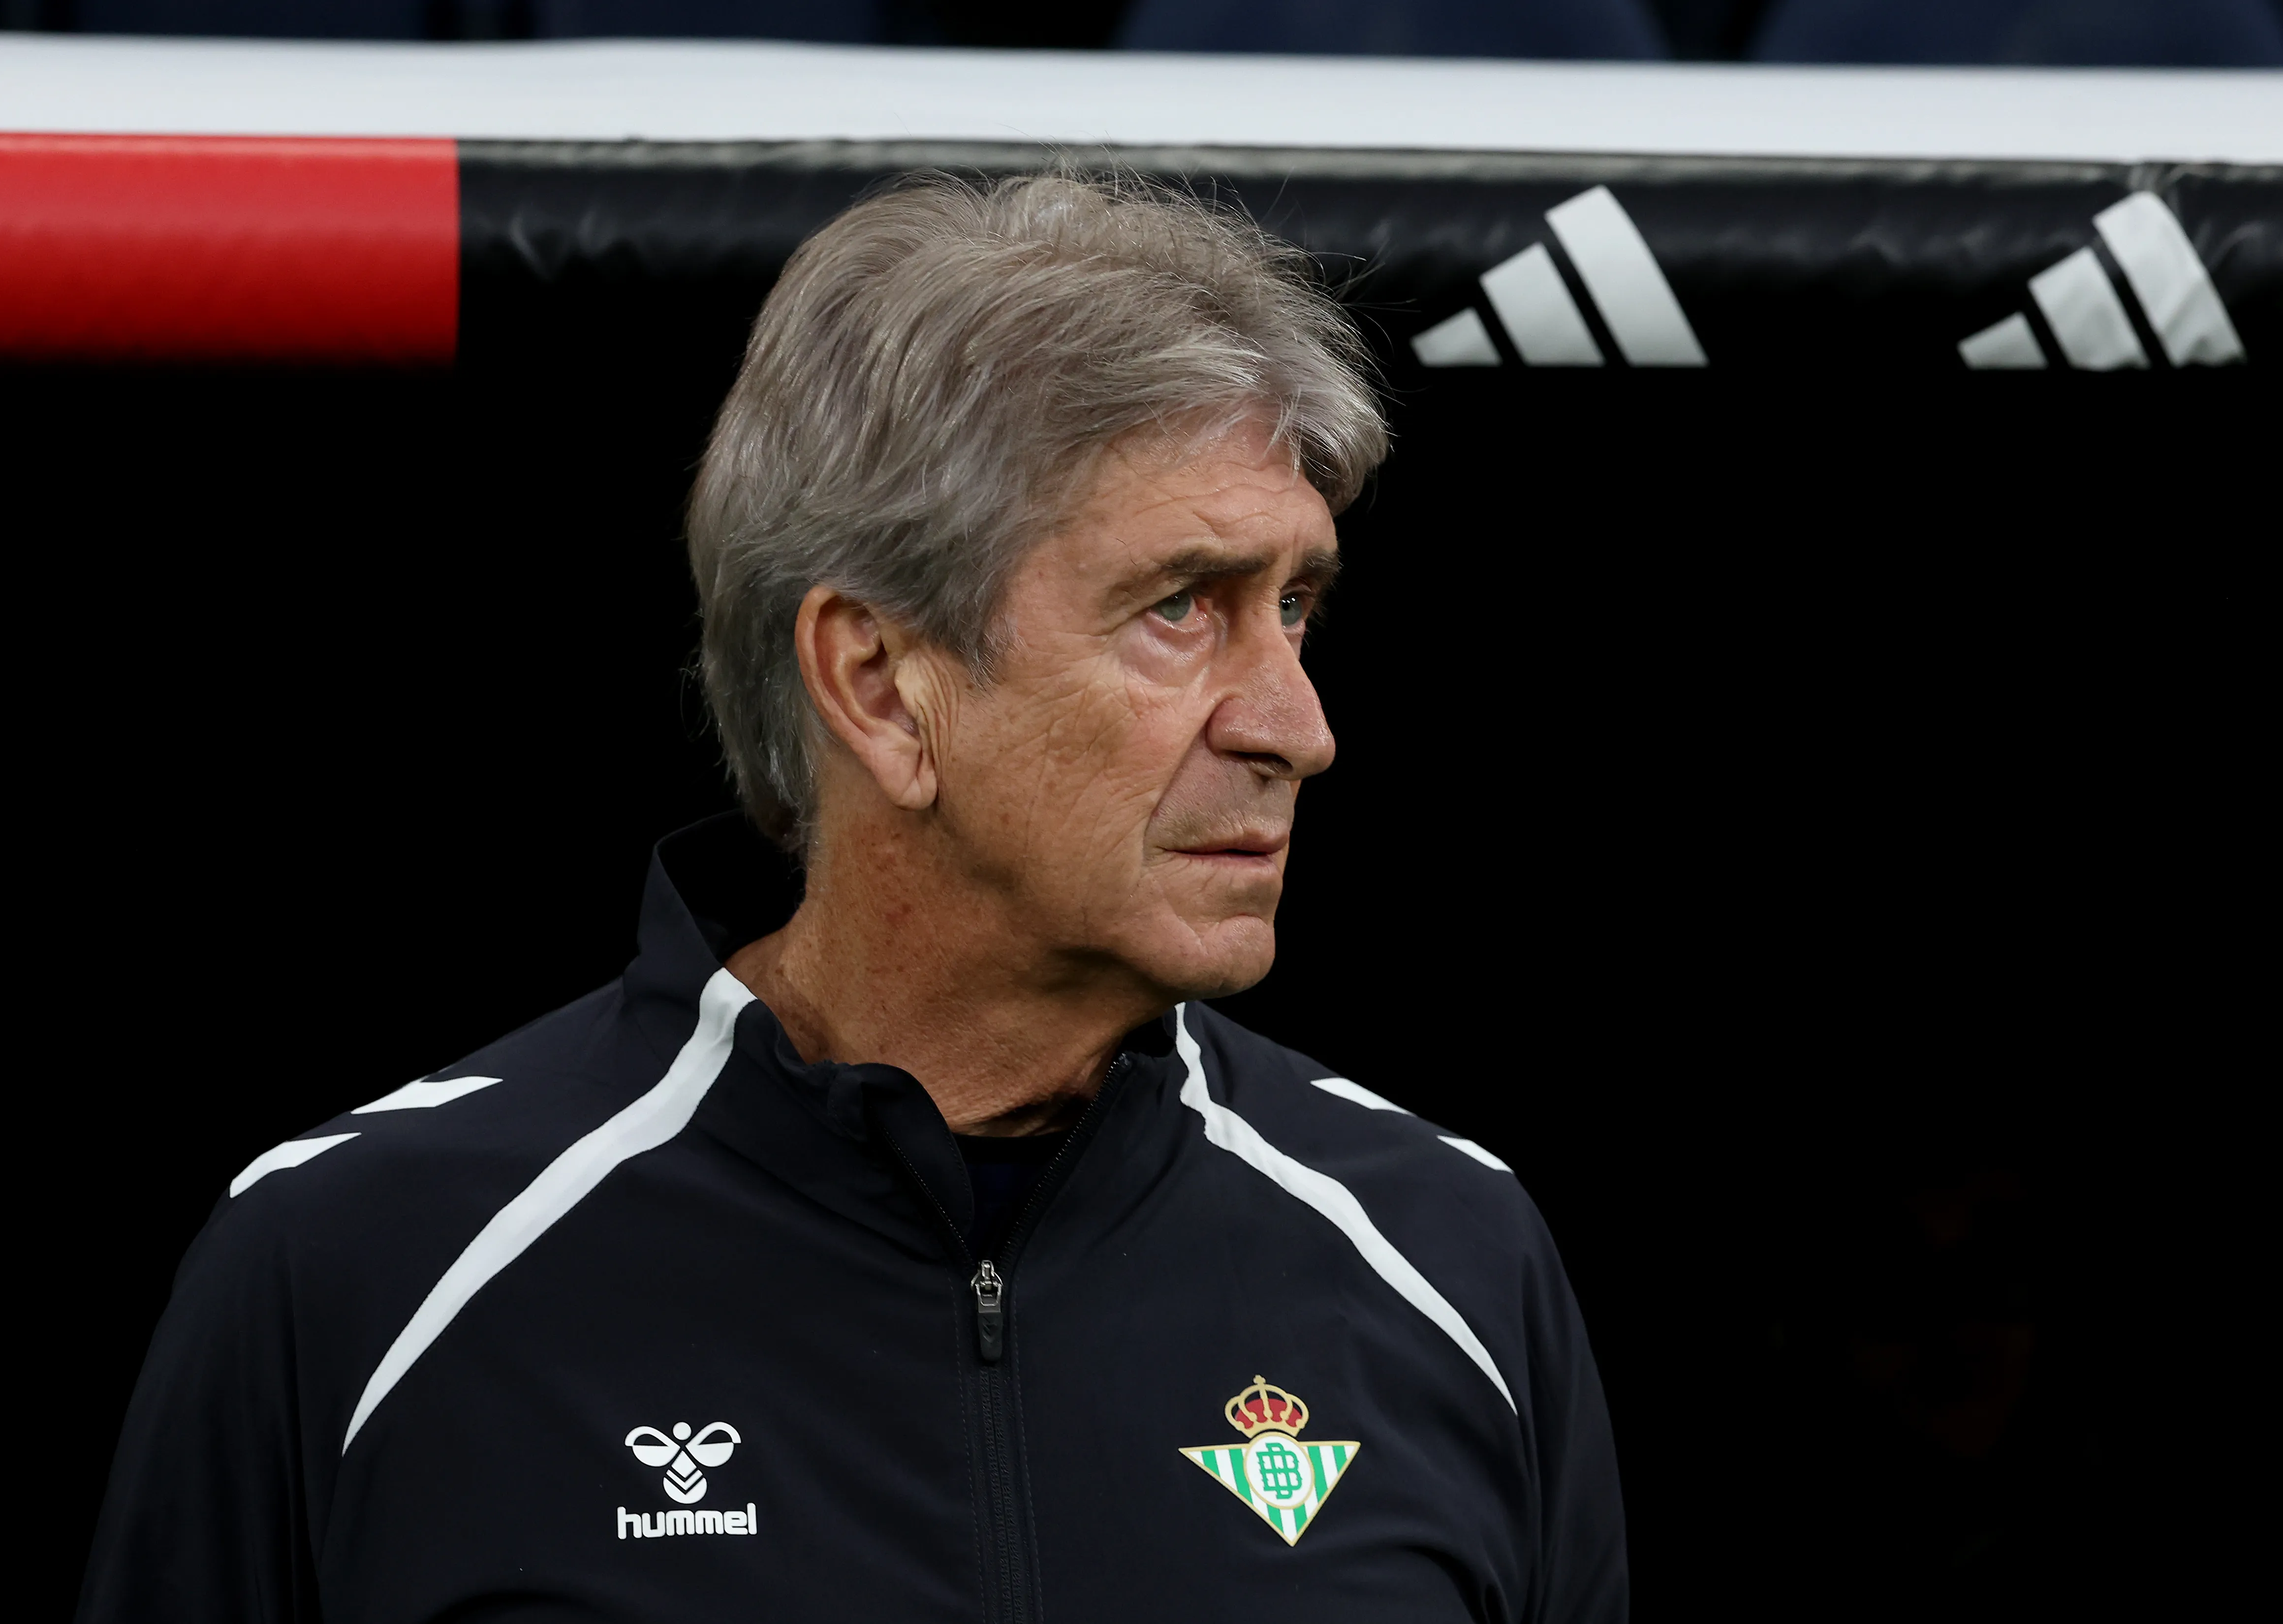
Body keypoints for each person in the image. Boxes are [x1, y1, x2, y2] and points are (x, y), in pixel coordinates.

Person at [78, 171, 1626, 1624]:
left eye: (1295, 608)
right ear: (877, 683)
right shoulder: (350, 1269)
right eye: (1180, 608)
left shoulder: (1451, 1258)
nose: (1297, 725)